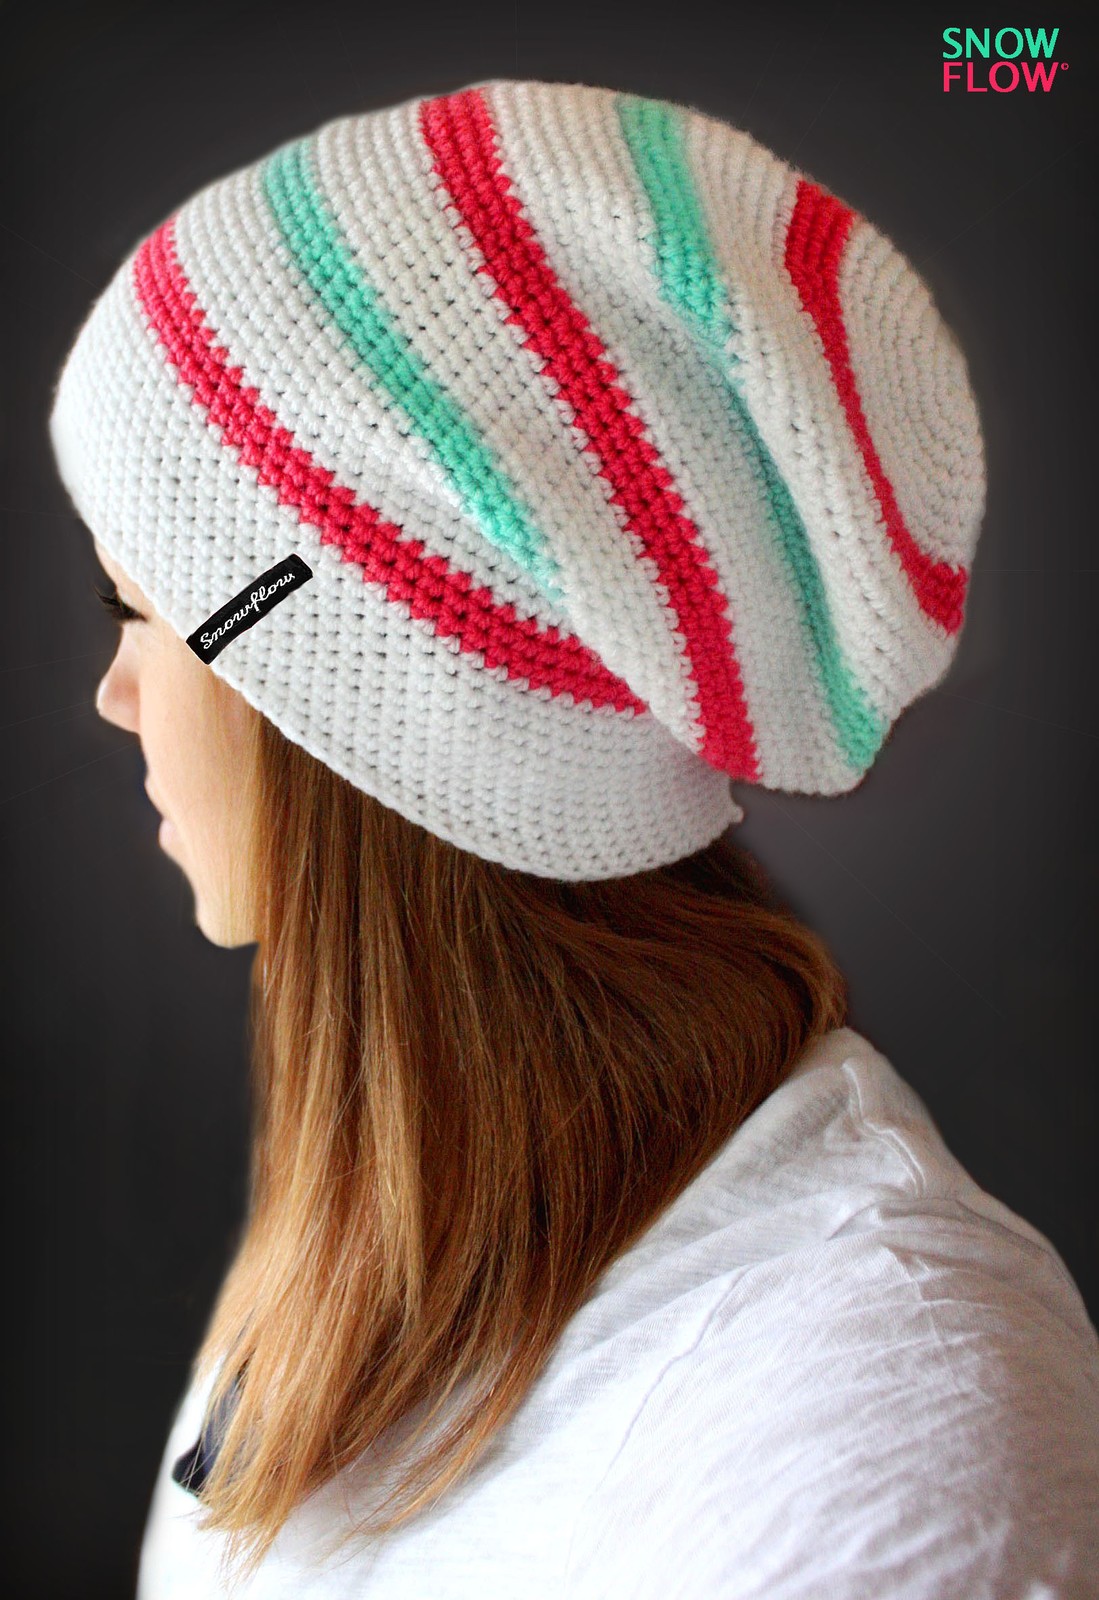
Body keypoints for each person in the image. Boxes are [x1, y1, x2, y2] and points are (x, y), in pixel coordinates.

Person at [50, 77, 1098, 1600]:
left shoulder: (889, 1423)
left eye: (140, 607)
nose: (113, 693)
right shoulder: (379, 1239)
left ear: (383, 690)